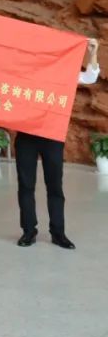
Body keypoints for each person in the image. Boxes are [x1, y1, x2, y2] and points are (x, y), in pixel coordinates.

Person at [16, 38, 100, 250]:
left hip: (52, 135)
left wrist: (92, 53)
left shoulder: (63, 73)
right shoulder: (24, 72)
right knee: (26, 185)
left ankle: (58, 232)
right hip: (26, 135)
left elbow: (90, 77)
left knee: (54, 185)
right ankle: (28, 231)